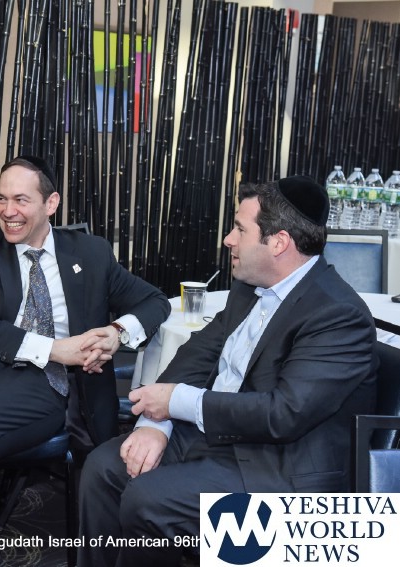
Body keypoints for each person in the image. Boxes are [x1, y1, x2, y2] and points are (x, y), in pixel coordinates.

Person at [77, 175, 378, 567]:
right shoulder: (250, 287)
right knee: (103, 469)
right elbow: (198, 353)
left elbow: (283, 414)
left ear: (279, 242)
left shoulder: (337, 315)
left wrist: (175, 402)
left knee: (148, 500)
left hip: (281, 467)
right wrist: (156, 423)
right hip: (219, 436)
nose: (228, 240)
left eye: (240, 229)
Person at [0, 155, 170, 566]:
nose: (8, 211)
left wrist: (117, 333)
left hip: (36, 385)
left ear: (51, 203)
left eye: (21, 200)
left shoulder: (91, 253)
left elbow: (154, 301)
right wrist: (56, 349)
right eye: (1, 199)